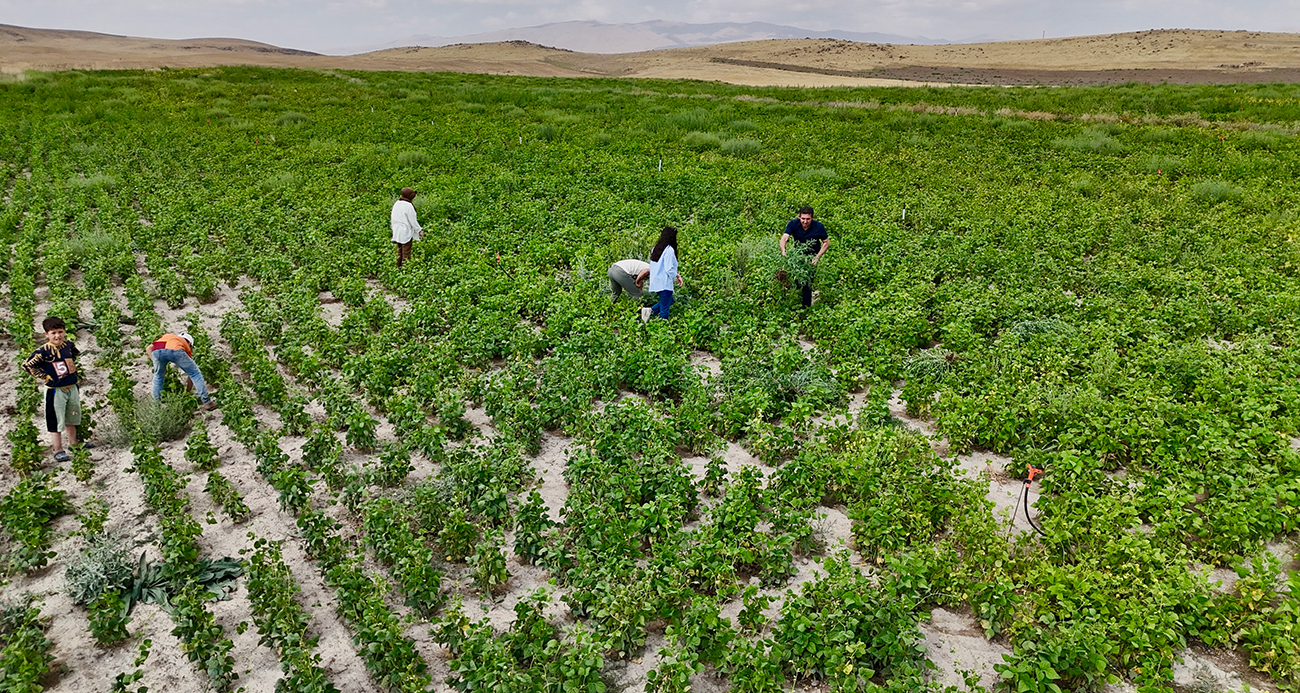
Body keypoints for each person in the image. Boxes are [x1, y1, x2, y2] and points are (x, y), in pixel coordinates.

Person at [23, 317, 90, 462]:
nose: (57, 336)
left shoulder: (68, 346)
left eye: (60, 332)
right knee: (55, 418)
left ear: (65, 331)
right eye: (53, 333)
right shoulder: (42, 351)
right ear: (46, 334)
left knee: (72, 416)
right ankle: (58, 449)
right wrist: (45, 376)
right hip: (55, 390)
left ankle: (74, 444)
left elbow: (75, 355)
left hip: (71, 387)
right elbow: (27, 365)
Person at [147, 332, 215, 411]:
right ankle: (207, 402)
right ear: (190, 343)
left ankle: (156, 406)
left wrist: (156, 363)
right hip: (175, 349)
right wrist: (187, 392)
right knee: (195, 374)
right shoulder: (185, 344)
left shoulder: (168, 336)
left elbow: (148, 348)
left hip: (156, 351)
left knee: (158, 376)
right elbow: (191, 374)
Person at [780, 206, 830, 307]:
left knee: (807, 281)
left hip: (812, 257)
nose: (805, 221)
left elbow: (826, 242)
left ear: (812, 218)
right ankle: (796, 303)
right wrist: (783, 251)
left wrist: (817, 257)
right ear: (799, 217)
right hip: (798, 255)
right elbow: (784, 238)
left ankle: (806, 308)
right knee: (797, 279)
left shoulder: (818, 226)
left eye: (808, 219)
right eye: (803, 219)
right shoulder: (793, 224)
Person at [642, 226, 684, 322]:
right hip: (664, 282)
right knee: (665, 309)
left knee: (670, 300)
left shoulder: (656, 248)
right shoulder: (669, 250)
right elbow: (669, 269)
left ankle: (649, 310)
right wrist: (676, 275)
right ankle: (662, 325)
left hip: (656, 281)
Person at [391, 187, 422, 268]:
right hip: (405, 231)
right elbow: (413, 221)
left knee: (400, 251)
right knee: (406, 252)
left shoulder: (397, 204)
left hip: (397, 231)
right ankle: (405, 269)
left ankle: (398, 268)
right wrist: (419, 230)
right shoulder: (408, 206)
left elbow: (393, 218)